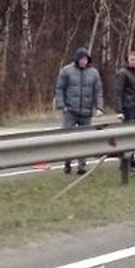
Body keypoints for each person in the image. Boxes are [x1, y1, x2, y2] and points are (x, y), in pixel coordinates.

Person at [54, 47, 104, 175]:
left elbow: (98, 91)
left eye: (86, 59)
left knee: (84, 139)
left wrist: (99, 107)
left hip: (86, 111)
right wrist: (62, 106)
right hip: (70, 110)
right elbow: (59, 89)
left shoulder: (93, 73)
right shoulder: (66, 70)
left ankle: (82, 166)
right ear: (77, 59)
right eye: (82, 59)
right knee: (68, 139)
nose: (84, 62)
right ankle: (67, 162)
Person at [115, 50, 135, 169]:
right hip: (126, 106)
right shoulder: (123, 73)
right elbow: (118, 92)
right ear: (128, 59)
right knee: (127, 135)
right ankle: (124, 163)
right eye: (132, 59)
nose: (134, 62)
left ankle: (132, 158)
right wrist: (119, 111)